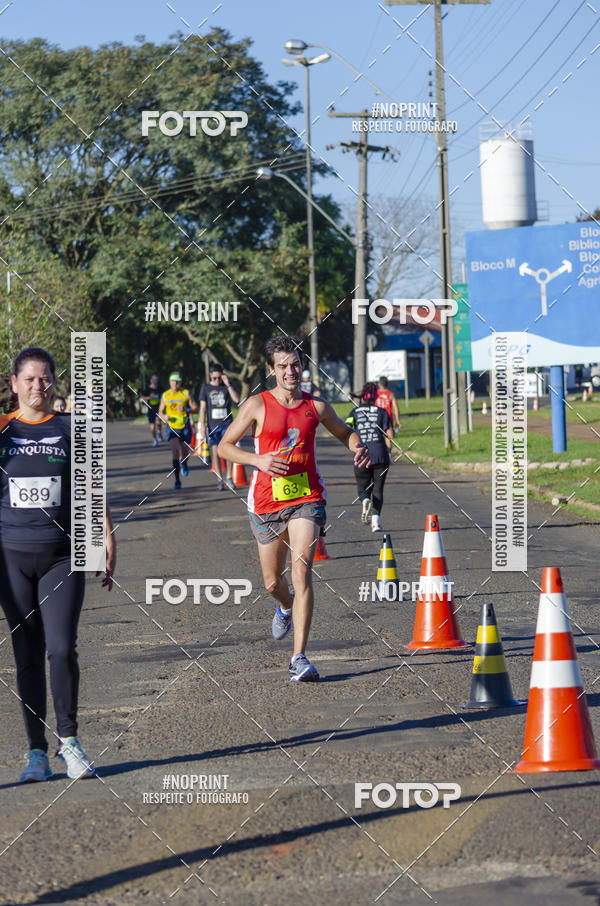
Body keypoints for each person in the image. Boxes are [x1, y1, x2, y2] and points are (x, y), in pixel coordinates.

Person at [218, 336, 369, 683]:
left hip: (306, 497)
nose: (291, 371)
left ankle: (298, 657)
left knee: (301, 572)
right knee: (273, 582)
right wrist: (257, 460)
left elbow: (344, 432)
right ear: (272, 370)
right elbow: (225, 447)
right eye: (283, 366)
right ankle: (285, 605)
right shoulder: (256, 405)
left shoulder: (316, 407)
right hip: (266, 502)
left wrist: (357, 446)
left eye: (296, 364)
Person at [0, 347, 116, 783]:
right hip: (10, 557)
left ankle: (70, 742)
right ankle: (36, 753)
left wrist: (106, 534)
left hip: (62, 556)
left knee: (62, 648)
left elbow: (91, 484)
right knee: (26, 653)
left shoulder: (71, 428)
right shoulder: (1, 429)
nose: (38, 386)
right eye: (30, 379)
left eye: (45, 378)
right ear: (14, 383)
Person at [347, 382, 394, 532]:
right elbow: (390, 434)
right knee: (378, 489)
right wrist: (389, 452)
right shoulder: (382, 412)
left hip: (362, 455)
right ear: (376, 396)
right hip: (380, 454)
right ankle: (376, 523)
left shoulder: (354, 412)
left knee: (362, 487)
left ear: (363, 394)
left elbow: (347, 429)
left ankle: (365, 500)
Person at [198, 363, 240, 491]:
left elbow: (237, 400)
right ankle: (219, 479)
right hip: (213, 426)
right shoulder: (205, 388)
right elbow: (202, 408)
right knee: (215, 452)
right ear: (210, 375)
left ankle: (229, 477)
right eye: (214, 378)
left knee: (228, 450)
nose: (217, 380)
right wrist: (201, 425)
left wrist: (227, 384)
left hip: (227, 424)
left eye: (219, 378)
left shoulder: (226, 386)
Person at [158, 372, 198, 490]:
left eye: (177, 381)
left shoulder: (185, 393)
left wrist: (186, 408)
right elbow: (160, 411)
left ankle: (184, 463)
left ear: (180, 382)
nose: (175, 383)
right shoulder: (165, 395)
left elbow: (196, 408)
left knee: (185, 453)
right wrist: (163, 417)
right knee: (175, 453)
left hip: (185, 426)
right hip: (172, 427)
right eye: (173, 381)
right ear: (170, 382)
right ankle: (177, 480)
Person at [142, 374, 163, 446]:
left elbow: (165, 395)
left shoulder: (160, 388)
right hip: (150, 410)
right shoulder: (147, 389)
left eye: (156, 379)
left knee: (158, 422)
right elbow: (143, 398)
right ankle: (155, 439)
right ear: (151, 380)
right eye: (154, 379)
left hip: (158, 409)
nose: (155, 381)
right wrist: (150, 397)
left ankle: (159, 432)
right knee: (152, 426)